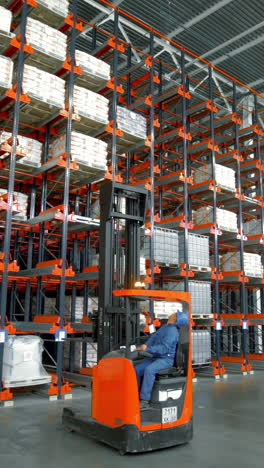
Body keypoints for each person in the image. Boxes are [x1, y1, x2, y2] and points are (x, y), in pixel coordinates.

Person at [135, 310, 188, 409]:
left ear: (176, 319)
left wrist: (148, 349)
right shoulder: (165, 327)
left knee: (149, 370)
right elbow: (154, 337)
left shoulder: (172, 332)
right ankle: (135, 394)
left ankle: (145, 400)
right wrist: (146, 344)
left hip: (165, 359)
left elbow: (164, 348)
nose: (172, 314)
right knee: (137, 369)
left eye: (175, 314)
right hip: (156, 357)